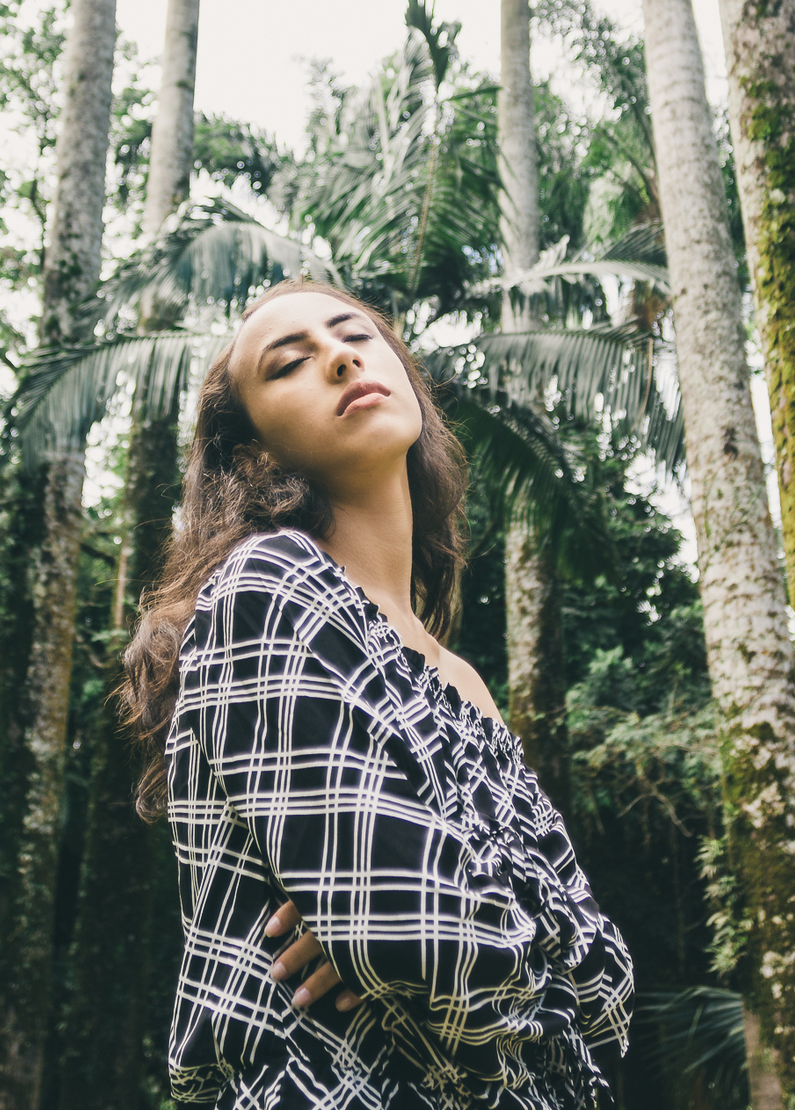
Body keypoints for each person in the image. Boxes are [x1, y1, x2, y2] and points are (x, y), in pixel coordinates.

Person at [124, 279, 633, 1110]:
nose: (336, 355)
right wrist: (457, 936)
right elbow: (417, 934)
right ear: (253, 454)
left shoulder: (462, 681)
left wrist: (437, 928)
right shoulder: (268, 589)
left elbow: (609, 986)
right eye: (288, 363)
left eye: (352, 332)